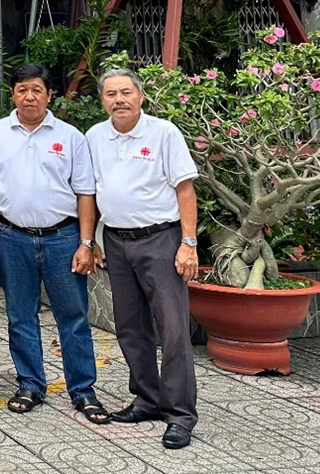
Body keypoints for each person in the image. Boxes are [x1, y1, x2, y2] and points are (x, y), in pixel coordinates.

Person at [0, 64, 108, 422]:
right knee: (20, 314)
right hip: (11, 237)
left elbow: (85, 193)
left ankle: (82, 389)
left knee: (73, 316)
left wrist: (86, 242)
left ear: (50, 95)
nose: (29, 97)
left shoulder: (70, 137)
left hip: (63, 238)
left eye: (36, 90)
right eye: (22, 90)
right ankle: (30, 383)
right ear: (13, 94)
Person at [87, 68, 199, 449]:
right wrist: (90, 240)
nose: (118, 100)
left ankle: (180, 414)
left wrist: (188, 242)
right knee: (130, 327)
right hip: (117, 242)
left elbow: (185, 190)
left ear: (141, 96)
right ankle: (147, 399)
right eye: (110, 94)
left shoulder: (164, 133)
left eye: (125, 92)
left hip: (161, 240)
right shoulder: (95, 136)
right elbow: (92, 193)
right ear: (102, 100)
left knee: (173, 329)